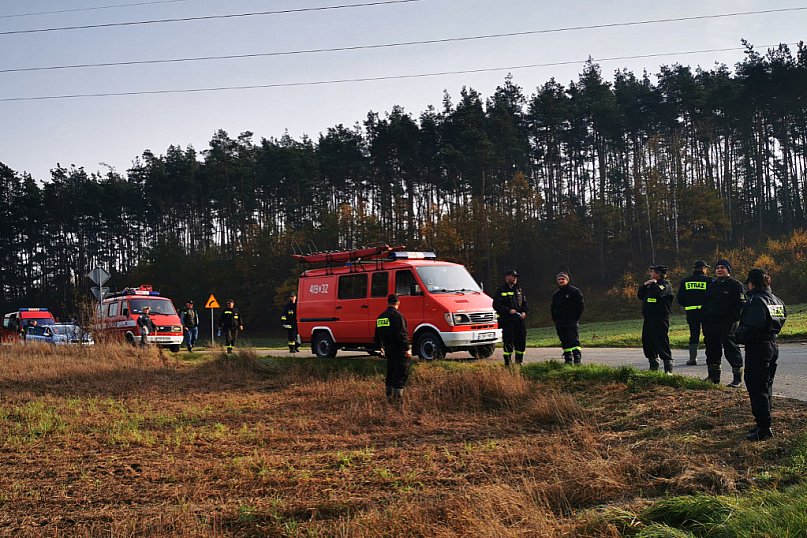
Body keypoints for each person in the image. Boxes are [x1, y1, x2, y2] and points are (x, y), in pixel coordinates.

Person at [735, 269, 786, 441]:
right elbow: (782, 319)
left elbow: (752, 327)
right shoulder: (776, 300)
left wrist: (737, 335)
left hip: (758, 347)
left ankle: (763, 428)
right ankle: (764, 424)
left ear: (752, 283)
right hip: (772, 344)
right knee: (766, 386)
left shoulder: (756, 300)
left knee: (757, 388)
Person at [700, 259, 746, 387]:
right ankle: (713, 377)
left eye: (723, 268)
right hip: (711, 322)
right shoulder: (711, 285)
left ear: (728, 270)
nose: (719, 270)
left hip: (728, 322)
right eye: (717, 268)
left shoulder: (736, 285)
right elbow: (705, 304)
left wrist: (734, 318)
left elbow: (741, 304)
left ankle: (737, 378)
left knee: (730, 347)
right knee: (712, 348)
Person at [374, 294, 412, 407]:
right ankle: (397, 401)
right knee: (400, 374)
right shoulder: (398, 316)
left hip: (388, 349)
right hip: (399, 350)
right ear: (398, 303)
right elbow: (402, 334)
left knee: (390, 372)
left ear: (387, 302)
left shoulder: (382, 317)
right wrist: (407, 349)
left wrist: (379, 346)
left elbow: (377, 334)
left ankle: (389, 396)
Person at [638, 264, 674, 373]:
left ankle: (668, 367)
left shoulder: (665, 285)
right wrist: (644, 285)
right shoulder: (649, 285)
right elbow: (640, 295)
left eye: (653, 272)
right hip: (648, 319)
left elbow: (659, 293)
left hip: (660, 319)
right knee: (648, 341)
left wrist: (653, 284)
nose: (651, 274)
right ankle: (653, 365)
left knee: (661, 341)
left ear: (658, 274)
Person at [676, 260, 711, 365]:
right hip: (706, 312)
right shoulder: (709, 281)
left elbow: (680, 298)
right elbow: (713, 295)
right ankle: (710, 358)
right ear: (703, 269)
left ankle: (692, 359)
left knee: (694, 334)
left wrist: (687, 305)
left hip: (691, 312)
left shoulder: (685, 281)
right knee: (708, 334)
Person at [493, 269, 529, 366]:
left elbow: (524, 303)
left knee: (521, 340)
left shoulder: (519, 290)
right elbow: (496, 305)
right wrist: (508, 310)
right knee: (508, 341)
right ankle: (508, 362)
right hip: (507, 320)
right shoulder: (500, 290)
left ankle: (519, 361)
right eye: (513, 276)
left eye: (516, 277)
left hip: (519, 320)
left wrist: (524, 312)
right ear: (507, 277)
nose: (515, 278)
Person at [551, 271, 585, 364]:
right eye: (559, 279)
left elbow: (580, 305)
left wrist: (575, 318)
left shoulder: (574, 291)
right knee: (564, 340)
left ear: (567, 280)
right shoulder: (556, 294)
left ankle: (577, 358)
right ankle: (568, 359)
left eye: (563, 279)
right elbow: (553, 308)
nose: (561, 281)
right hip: (560, 322)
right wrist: (555, 319)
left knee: (573, 339)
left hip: (571, 321)